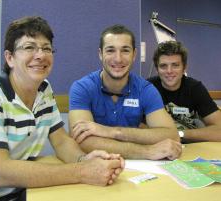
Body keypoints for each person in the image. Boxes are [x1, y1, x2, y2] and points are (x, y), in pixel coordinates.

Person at [0, 16, 124, 201]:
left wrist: (85, 160)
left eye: (46, 48)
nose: (40, 55)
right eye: (29, 47)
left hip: (17, 191)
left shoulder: (44, 90)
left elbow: (61, 141)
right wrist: (82, 171)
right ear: (9, 58)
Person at [69, 24, 182, 160]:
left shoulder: (146, 90)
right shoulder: (82, 88)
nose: (118, 59)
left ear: (134, 55)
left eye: (125, 50)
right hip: (96, 166)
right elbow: (83, 140)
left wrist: (113, 132)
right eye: (110, 50)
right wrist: (146, 152)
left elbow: (172, 135)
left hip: (137, 168)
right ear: (100, 54)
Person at [148, 40, 221, 143]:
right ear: (157, 69)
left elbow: (219, 130)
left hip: (190, 146)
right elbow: (136, 125)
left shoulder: (195, 88)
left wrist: (179, 134)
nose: (169, 71)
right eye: (163, 66)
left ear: (184, 68)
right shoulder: (147, 88)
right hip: (158, 145)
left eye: (175, 65)